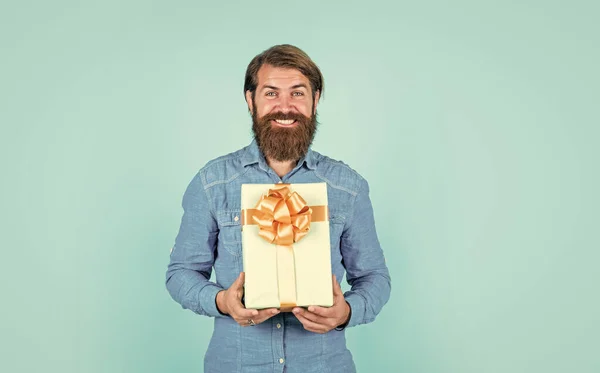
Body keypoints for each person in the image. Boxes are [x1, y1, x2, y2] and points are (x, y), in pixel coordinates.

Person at [166, 44, 391, 373]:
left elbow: (374, 278)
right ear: (250, 100)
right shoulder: (211, 183)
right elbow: (181, 273)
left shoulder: (348, 187)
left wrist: (347, 312)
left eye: (297, 93)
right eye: (271, 93)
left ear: (315, 100)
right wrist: (221, 302)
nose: (285, 107)